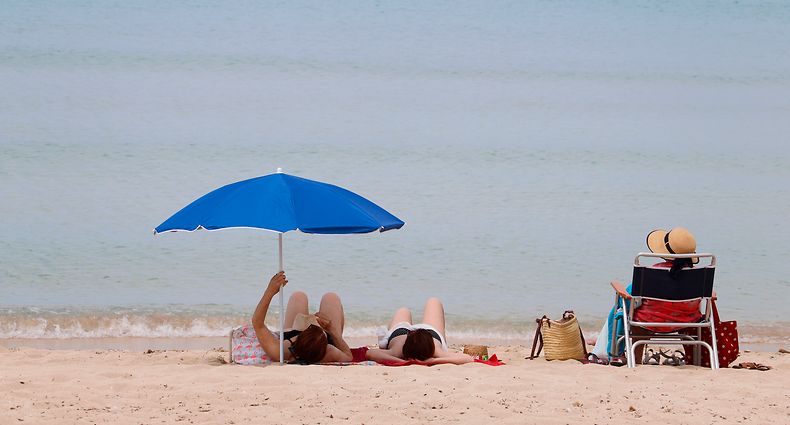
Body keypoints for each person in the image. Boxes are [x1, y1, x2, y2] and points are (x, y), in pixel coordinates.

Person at [590, 227, 702, 364]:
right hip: (688, 321)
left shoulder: (652, 273)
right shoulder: (697, 276)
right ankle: (697, 360)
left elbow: (631, 295)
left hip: (648, 322)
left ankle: (618, 353)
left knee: (621, 307)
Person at [251, 271, 353, 364]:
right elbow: (348, 356)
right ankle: (328, 333)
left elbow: (257, 323)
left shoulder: (281, 351)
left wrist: (270, 290)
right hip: (321, 342)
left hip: (297, 338)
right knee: (331, 297)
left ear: (296, 340)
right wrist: (332, 331)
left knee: (298, 296)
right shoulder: (329, 352)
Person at [365, 298, 474, 365]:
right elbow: (468, 359)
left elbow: (370, 353)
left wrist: (402, 362)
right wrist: (433, 361)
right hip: (430, 332)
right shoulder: (436, 352)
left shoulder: (397, 352)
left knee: (403, 310)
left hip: (401, 333)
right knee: (433, 301)